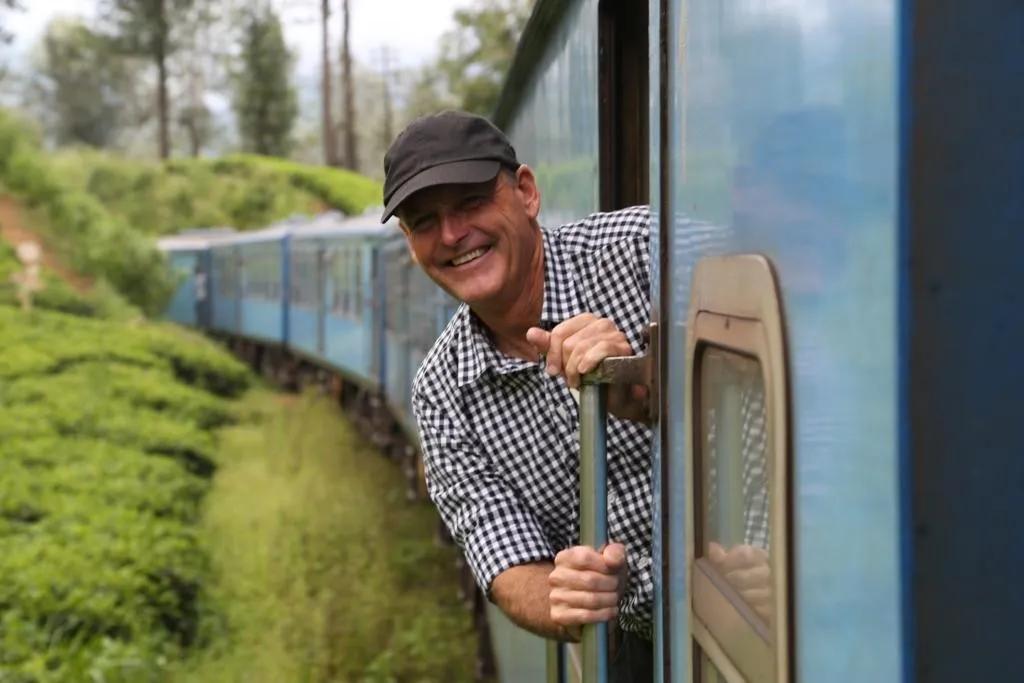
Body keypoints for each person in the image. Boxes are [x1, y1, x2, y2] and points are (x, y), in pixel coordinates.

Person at [381, 110, 654, 679]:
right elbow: (505, 562)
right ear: (410, 243)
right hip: (638, 647)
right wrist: (565, 596)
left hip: (780, 596)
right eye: (425, 222)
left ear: (526, 192)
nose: (452, 235)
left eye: (471, 202)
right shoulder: (441, 392)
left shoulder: (645, 251)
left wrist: (651, 387)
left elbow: (806, 351)